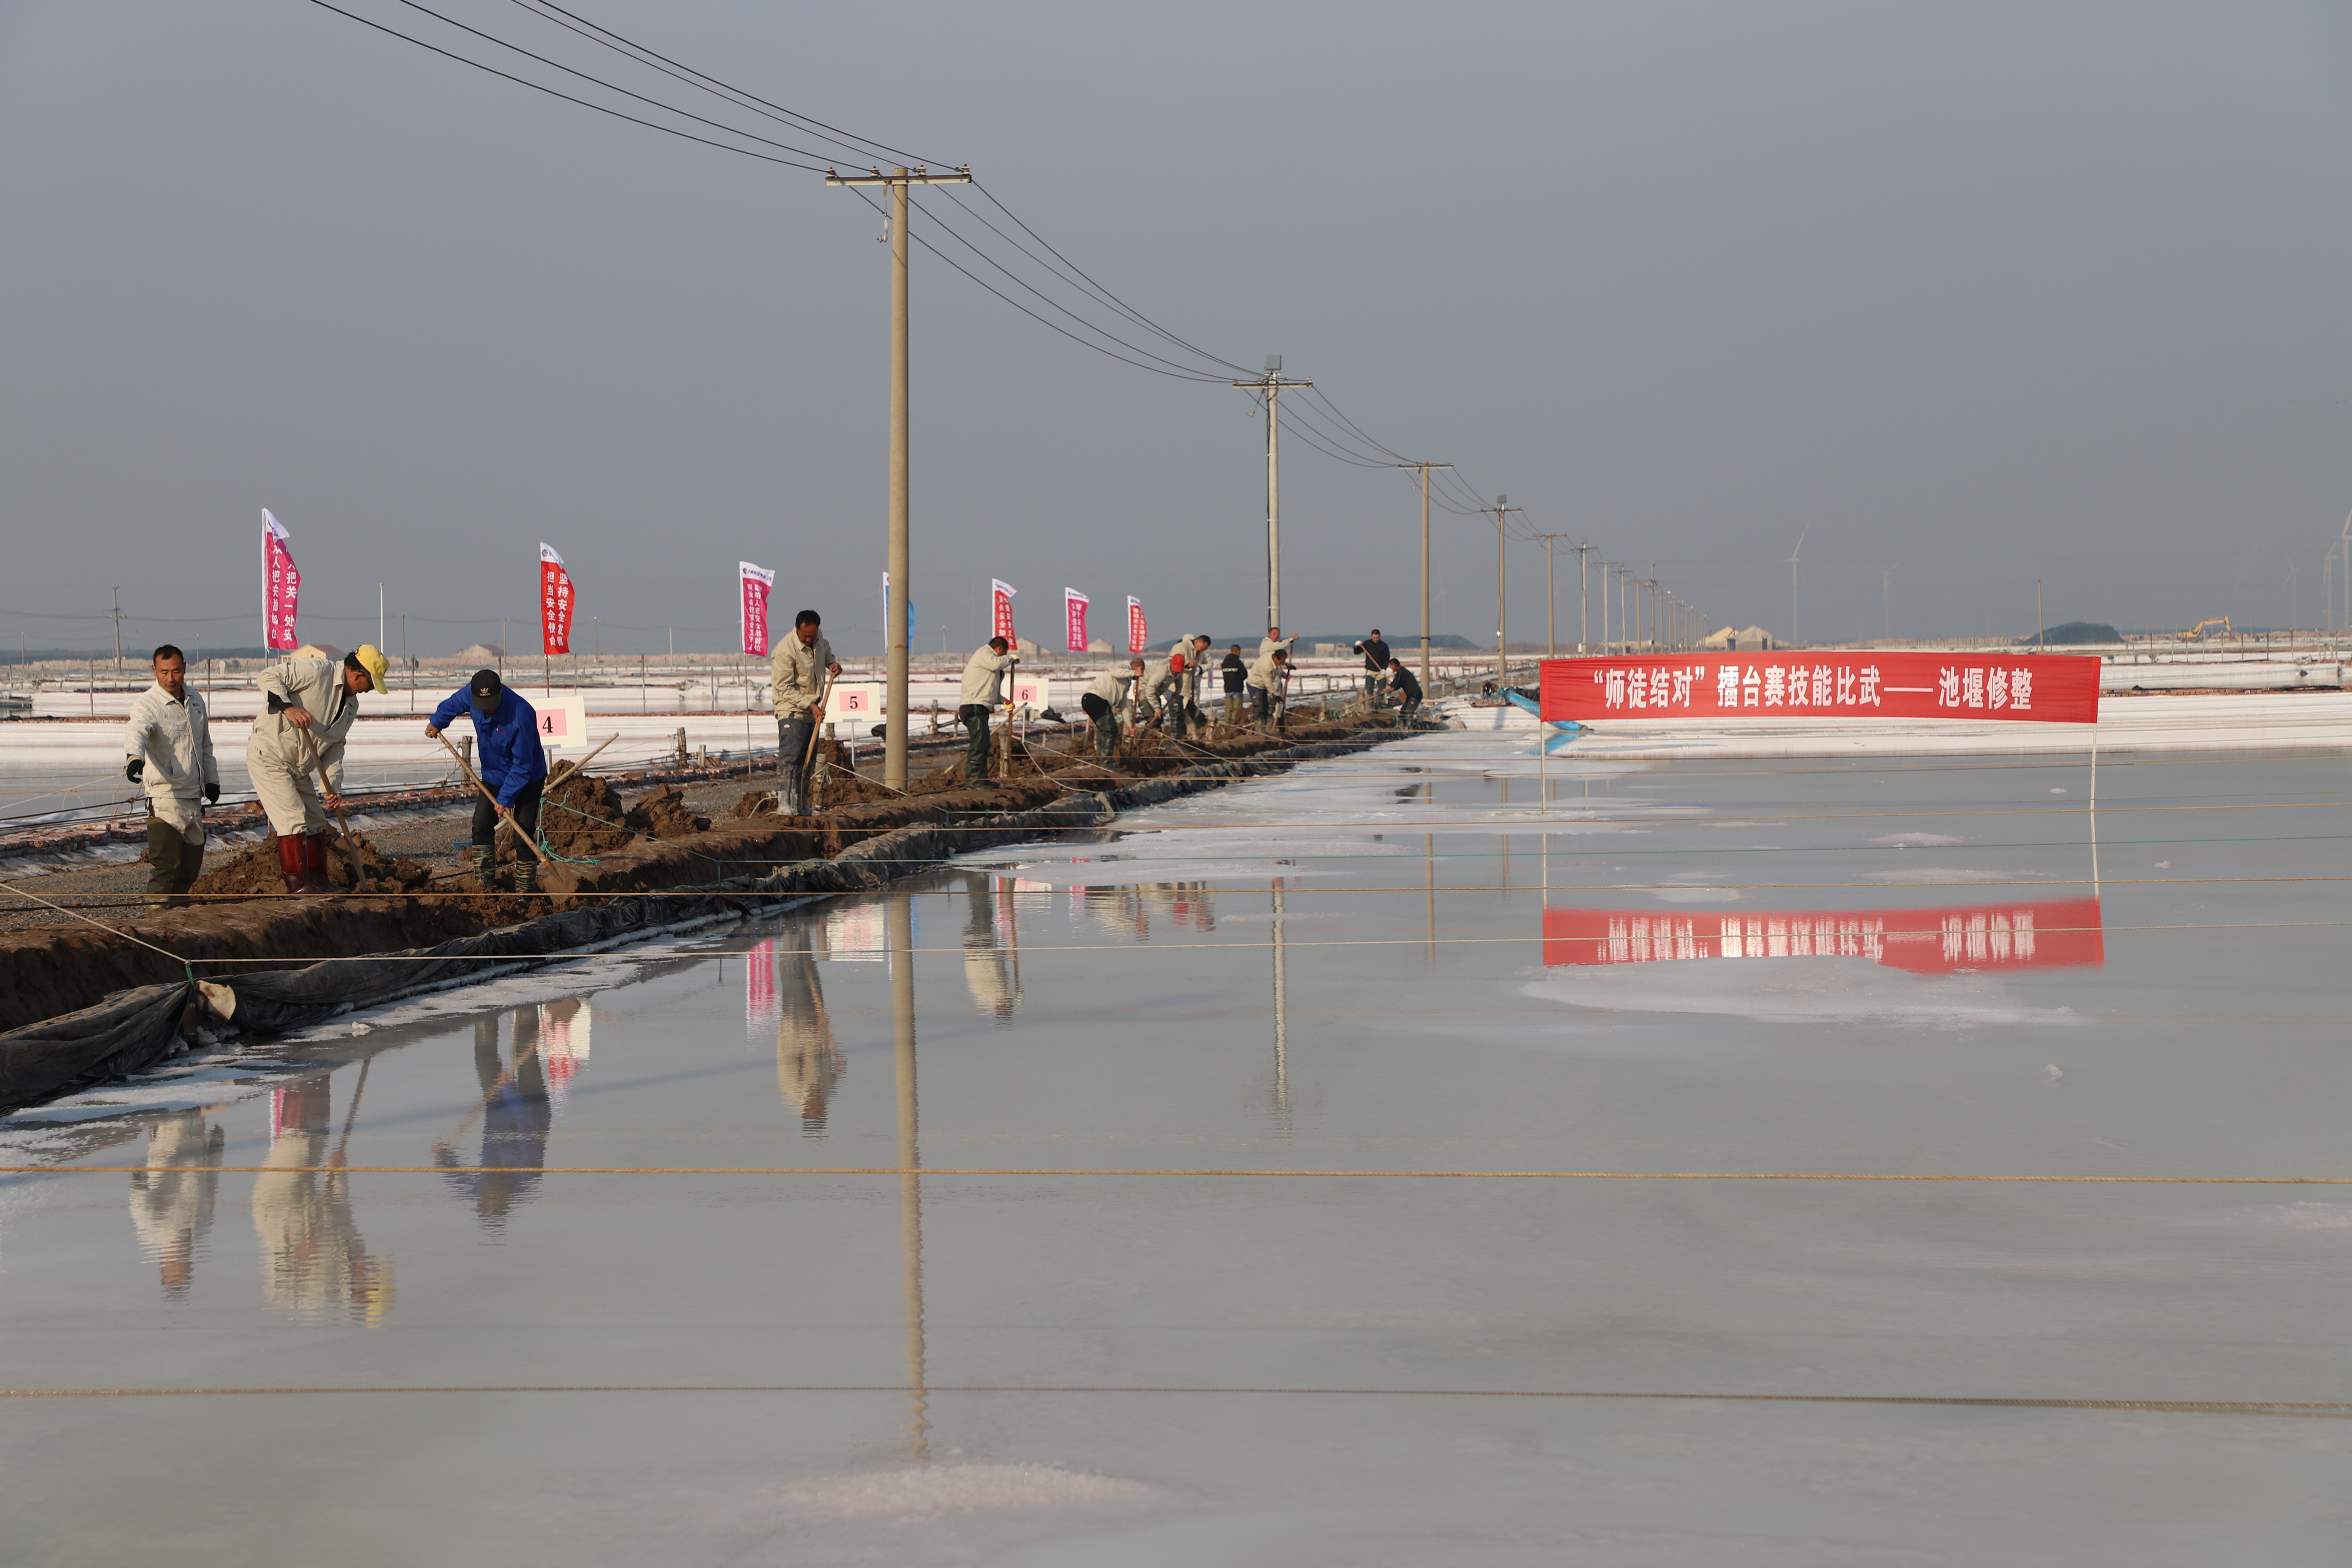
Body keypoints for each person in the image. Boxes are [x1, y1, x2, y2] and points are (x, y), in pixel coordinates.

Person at [250, 645, 387, 896]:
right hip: (271, 755)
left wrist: (331, 787)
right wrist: (288, 708)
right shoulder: (317, 671)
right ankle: (298, 887)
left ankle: (319, 881)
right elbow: (269, 677)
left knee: (315, 821)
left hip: (299, 768)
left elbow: (335, 746)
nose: (368, 691)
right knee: (293, 818)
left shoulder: (351, 706)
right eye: (370, 684)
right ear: (359, 675)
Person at [426, 668, 548, 893]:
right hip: (494, 775)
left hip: (528, 778)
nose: (487, 710)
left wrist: (505, 799)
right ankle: (484, 885)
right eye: (482, 705)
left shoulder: (521, 716)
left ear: (501, 691)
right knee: (481, 823)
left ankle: (525, 894)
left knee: (523, 834)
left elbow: (523, 766)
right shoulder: (472, 694)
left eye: (491, 704)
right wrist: (437, 722)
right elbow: (453, 704)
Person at [123, 644, 220, 911]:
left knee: (189, 871)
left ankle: (179, 920)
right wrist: (134, 757)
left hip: (193, 797)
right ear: (154, 671)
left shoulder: (196, 701)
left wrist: (212, 781)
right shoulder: (147, 705)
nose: (170, 678)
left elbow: (205, 745)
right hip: (164, 797)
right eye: (164, 672)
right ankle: (156, 922)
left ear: (185, 669)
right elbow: (137, 731)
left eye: (176, 671)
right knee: (165, 868)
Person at [770, 611, 841, 816]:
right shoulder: (785, 650)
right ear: (797, 629)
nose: (809, 640)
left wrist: (832, 663)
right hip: (791, 710)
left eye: (813, 636)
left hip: (813, 709)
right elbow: (784, 688)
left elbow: (825, 650)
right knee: (791, 757)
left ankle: (801, 805)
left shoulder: (818, 638)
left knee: (807, 760)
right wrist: (810, 705)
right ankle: (784, 805)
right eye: (805, 637)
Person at [956, 635, 1020, 787]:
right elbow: (996, 664)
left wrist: (1004, 701)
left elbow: (990, 691)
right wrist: (1011, 659)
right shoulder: (984, 654)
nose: (1004, 657)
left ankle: (982, 779)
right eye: (1004, 653)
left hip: (981, 706)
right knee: (979, 745)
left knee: (984, 744)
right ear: (1000, 649)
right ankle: (974, 781)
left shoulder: (990, 664)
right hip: (973, 706)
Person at [1082, 660, 1142, 764]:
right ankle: (1106, 763)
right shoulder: (1124, 667)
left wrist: (1129, 725)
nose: (1141, 676)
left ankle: (1102, 760)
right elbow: (1115, 672)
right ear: (1138, 669)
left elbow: (1123, 705)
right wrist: (1133, 673)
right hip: (1096, 698)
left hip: (1097, 701)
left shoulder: (1126, 683)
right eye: (1141, 672)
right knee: (1111, 731)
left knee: (1106, 731)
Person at [1245, 645, 1289, 731]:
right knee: (1260, 708)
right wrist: (1277, 695)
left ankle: (1266, 729)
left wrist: (1284, 674)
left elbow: (1277, 669)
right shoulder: (1267, 667)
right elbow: (1269, 684)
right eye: (1281, 661)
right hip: (1255, 685)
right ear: (1276, 658)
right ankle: (1259, 731)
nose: (1282, 663)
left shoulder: (1272, 656)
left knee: (1266, 708)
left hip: (1263, 686)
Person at [1147, 652, 1190, 740]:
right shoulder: (1161, 673)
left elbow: (1179, 681)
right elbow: (1150, 690)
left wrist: (1178, 692)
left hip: (1159, 690)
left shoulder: (1178, 672)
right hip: (1146, 688)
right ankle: (1151, 739)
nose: (1176, 673)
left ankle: (1175, 735)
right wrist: (1157, 709)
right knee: (1153, 717)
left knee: (1173, 709)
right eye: (1175, 671)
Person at [1354, 629, 1393, 701]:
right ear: (1371, 637)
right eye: (1375, 638)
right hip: (1370, 671)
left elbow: (1387, 659)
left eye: (1377, 638)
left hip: (1380, 671)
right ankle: (1371, 705)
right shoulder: (1367, 644)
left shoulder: (1384, 646)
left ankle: (1380, 704)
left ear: (1380, 637)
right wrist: (1357, 646)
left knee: (1382, 690)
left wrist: (1384, 669)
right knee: (1369, 690)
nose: (1376, 640)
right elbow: (1357, 652)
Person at [1386, 658, 1424, 723]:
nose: (1391, 668)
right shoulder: (1399, 673)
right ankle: (1403, 724)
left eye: (1391, 667)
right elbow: (1395, 683)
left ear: (1394, 665)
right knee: (1403, 711)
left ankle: (1410, 726)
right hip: (1410, 696)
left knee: (1409, 712)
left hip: (1415, 695)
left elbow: (1398, 684)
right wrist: (1386, 689)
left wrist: (1391, 690)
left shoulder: (1403, 673)